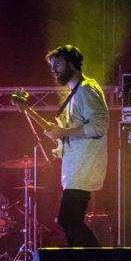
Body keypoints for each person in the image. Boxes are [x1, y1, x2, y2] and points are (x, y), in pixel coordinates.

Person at [44, 45, 109, 247]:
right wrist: (60, 139)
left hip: (83, 169)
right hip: (77, 170)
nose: (53, 69)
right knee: (70, 223)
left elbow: (99, 126)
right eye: (52, 66)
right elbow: (75, 132)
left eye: (58, 64)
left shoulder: (86, 90)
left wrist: (63, 133)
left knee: (68, 220)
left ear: (72, 63)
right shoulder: (76, 94)